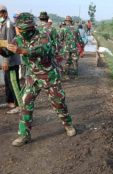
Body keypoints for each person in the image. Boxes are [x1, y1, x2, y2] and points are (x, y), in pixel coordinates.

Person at [4, 12, 76, 147]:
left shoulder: (42, 35)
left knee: (59, 102)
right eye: (20, 28)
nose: (21, 31)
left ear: (31, 27)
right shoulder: (18, 38)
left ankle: (68, 125)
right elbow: (9, 51)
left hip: (49, 75)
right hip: (33, 76)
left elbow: (43, 50)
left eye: (25, 29)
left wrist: (23, 51)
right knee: (25, 103)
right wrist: (3, 49)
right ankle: (24, 134)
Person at [0, 4, 22, 114]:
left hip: (10, 60)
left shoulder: (8, 25)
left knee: (13, 82)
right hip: (6, 57)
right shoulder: (3, 24)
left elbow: (9, 45)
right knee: (7, 82)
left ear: (4, 13)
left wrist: (5, 61)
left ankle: (19, 104)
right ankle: (10, 101)